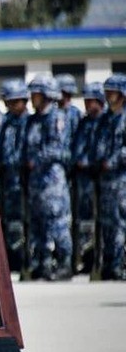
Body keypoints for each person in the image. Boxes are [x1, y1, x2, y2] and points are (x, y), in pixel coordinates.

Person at [23, 74, 73, 281]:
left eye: (36, 94)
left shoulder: (56, 117)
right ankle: (42, 264)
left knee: (57, 223)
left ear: (46, 95)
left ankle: (64, 263)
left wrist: (36, 159)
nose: (32, 98)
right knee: (38, 224)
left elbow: (57, 148)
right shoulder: (33, 119)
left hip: (52, 181)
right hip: (35, 181)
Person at [0, 80, 31, 273]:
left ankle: (26, 260)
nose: (11, 106)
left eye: (15, 102)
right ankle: (13, 261)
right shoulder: (6, 122)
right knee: (8, 222)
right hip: (7, 180)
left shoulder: (29, 122)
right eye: (8, 102)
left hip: (25, 181)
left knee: (25, 221)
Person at [70, 83, 105, 274]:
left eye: (91, 100)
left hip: (102, 177)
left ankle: (106, 261)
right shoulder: (84, 123)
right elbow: (76, 148)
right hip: (83, 180)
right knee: (84, 222)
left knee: (104, 221)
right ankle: (87, 259)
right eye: (86, 100)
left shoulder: (106, 121)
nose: (87, 103)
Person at [96, 74, 126, 280]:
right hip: (105, 180)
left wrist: (113, 160)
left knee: (120, 222)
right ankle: (109, 263)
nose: (108, 96)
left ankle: (118, 264)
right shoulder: (106, 119)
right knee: (107, 222)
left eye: (112, 92)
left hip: (121, 178)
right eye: (106, 92)